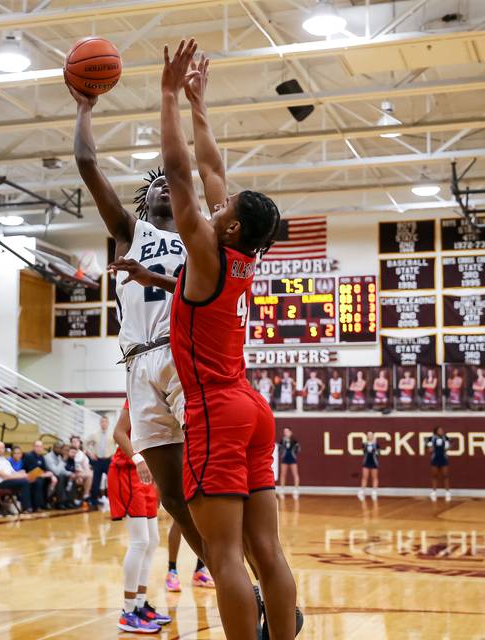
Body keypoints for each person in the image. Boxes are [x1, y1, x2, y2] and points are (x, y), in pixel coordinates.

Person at [156, 41, 299, 639]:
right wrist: (199, 105)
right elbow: (212, 171)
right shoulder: (239, 252)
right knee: (268, 549)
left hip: (216, 407)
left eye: (226, 206)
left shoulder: (207, 252)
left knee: (224, 557)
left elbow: (182, 176)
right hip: (254, 408)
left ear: (231, 223)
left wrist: (166, 96)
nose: (219, 199)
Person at [68, 48, 205, 560]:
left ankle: (250, 567)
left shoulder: (200, 238)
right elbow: (86, 163)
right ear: (146, 199)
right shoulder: (130, 232)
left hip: (185, 353)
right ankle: (221, 574)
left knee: (206, 479)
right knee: (171, 494)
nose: (167, 186)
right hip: (137, 364)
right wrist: (85, 109)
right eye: (157, 184)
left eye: (174, 181)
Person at [110, 401, 171, 633]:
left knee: (152, 540)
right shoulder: (137, 391)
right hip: (128, 470)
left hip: (147, 474)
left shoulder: (165, 396)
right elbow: (118, 432)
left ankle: (139, 603)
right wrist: (138, 459)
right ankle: (127, 612)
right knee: (140, 541)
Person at [0, 440, 32, 512]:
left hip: (8, 481)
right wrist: (21, 476)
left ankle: (30, 506)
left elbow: (13, 472)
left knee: (30, 480)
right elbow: (5, 476)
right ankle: (27, 507)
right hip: (1, 483)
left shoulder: (4, 460)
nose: (0, 449)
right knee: (24, 482)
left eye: (2, 448)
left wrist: (21, 473)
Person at [86, 415, 115, 508]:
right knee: (96, 482)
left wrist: (114, 454)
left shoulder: (113, 434)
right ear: (100, 423)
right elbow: (84, 442)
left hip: (109, 460)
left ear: (108, 423)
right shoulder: (95, 434)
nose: (104, 423)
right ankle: (94, 501)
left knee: (112, 482)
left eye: (105, 422)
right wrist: (90, 454)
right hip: (98, 460)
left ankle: (114, 502)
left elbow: (120, 444)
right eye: (102, 421)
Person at [23, 440, 58, 511]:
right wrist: (45, 475)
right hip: (29, 477)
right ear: (33, 447)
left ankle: (47, 502)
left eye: (40, 447)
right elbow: (33, 472)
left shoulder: (41, 457)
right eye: (37, 446)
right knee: (39, 482)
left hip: (39, 476)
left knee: (53, 480)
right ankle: (37, 505)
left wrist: (51, 476)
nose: (39, 448)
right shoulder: (29, 456)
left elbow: (44, 469)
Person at [45, 441, 73, 509]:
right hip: (48, 477)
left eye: (61, 448)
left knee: (70, 477)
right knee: (61, 477)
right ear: (54, 448)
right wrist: (63, 461)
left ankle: (69, 500)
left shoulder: (59, 457)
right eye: (58, 448)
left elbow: (62, 470)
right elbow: (56, 471)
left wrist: (72, 474)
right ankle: (60, 502)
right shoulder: (48, 457)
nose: (60, 450)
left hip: (57, 476)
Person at [427, 426, 451, 502]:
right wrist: (429, 448)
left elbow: (452, 442)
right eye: (440, 430)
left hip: (443, 458)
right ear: (436, 431)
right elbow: (425, 442)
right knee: (434, 476)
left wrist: (449, 447)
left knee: (445, 475)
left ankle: (447, 493)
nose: (441, 431)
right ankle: (434, 493)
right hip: (435, 458)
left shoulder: (445, 437)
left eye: (442, 430)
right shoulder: (432, 438)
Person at [278, 428, 301, 499]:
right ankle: (282, 490)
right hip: (285, 459)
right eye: (284, 431)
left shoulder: (294, 440)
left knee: (295, 474)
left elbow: (298, 449)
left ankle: (296, 491)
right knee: (283, 474)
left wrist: (294, 451)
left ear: (291, 432)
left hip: (292, 459)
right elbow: (279, 449)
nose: (286, 433)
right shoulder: (282, 440)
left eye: (287, 431)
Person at [358, 431, 380, 501]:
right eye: (368, 435)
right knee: (365, 477)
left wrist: (375, 447)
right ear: (367, 436)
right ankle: (362, 491)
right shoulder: (364, 444)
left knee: (374, 477)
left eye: (371, 435)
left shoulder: (376, 444)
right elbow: (364, 452)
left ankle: (374, 492)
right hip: (366, 462)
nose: (369, 436)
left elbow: (378, 453)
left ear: (373, 436)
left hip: (374, 462)